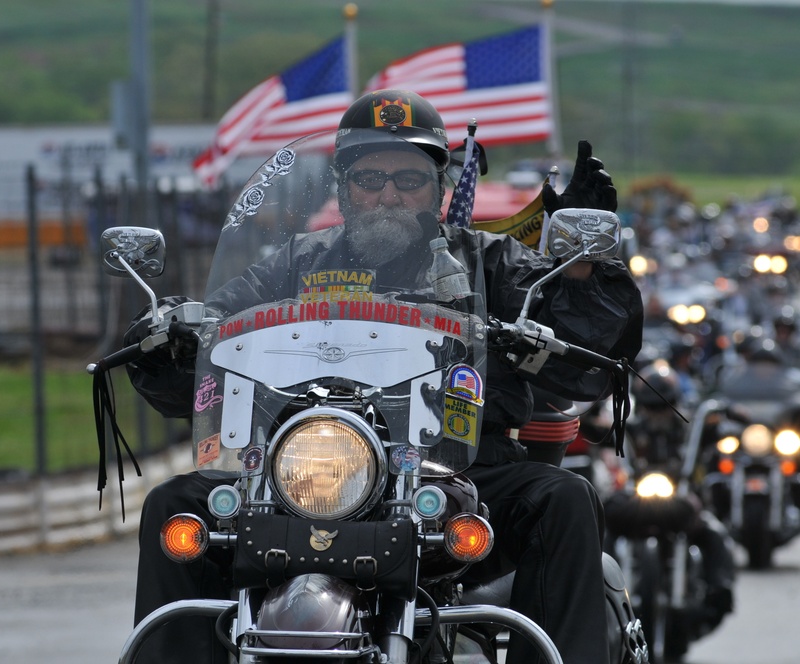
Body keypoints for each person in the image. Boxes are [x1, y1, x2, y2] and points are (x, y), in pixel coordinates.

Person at [128, 90, 643, 664]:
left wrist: (583, 276)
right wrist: (167, 336)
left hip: (459, 475)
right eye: (369, 178)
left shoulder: (491, 262)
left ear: (439, 189)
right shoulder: (295, 263)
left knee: (565, 497)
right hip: (303, 479)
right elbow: (211, 343)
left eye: (409, 178)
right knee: (174, 503)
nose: (388, 195)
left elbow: (589, 353)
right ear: (344, 189)